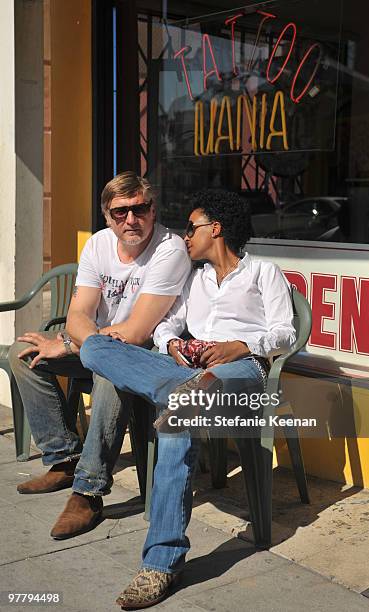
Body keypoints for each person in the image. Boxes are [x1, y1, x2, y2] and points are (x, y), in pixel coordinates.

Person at [79, 189, 296, 609]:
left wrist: (240, 345)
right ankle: (177, 389)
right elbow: (166, 326)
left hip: (241, 372)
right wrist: (173, 344)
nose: (184, 237)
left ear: (216, 229)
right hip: (191, 374)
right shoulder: (194, 280)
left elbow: (285, 332)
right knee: (95, 348)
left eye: (191, 228)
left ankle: (160, 563)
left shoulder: (263, 273)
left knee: (181, 409)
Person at [8, 171, 191, 539]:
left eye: (139, 209)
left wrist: (77, 344)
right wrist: (79, 341)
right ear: (107, 216)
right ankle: (63, 457)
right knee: (22, 352)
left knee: (110, 371)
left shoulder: (169, 249)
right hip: (98, 341)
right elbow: (78, 314)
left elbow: (138, 332)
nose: (131, 220)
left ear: (152, 210)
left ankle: (88, 491)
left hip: (145, 353)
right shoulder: (98, 245)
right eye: (120, 213)